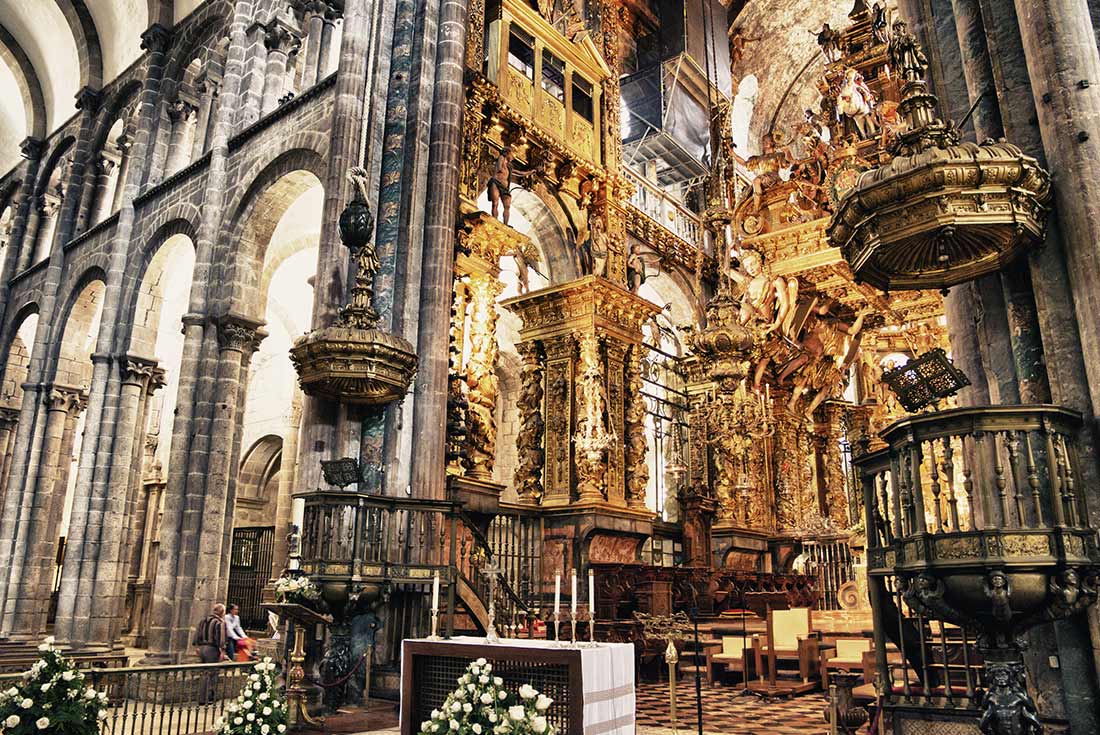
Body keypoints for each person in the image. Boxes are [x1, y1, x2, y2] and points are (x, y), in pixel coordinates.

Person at [487, 146, 532, 226]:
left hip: (505, 188)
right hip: (496, 183)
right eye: (512, 155)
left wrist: (531, 172)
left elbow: (519, 173)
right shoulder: (501, 158)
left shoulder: (509, 167)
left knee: (507, 206)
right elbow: (499, 166)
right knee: (495, 203)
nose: (513, 158)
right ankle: (494, 220)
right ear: (507, 153)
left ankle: (505, 224)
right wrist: (500, 166)